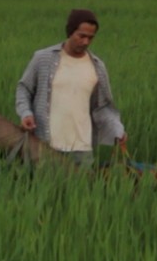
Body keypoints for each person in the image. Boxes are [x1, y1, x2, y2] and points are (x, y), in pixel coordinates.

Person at [15, 9, 126, 170]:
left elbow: (103, 107)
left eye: (90, 37)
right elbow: (24, 89)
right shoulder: (43, 58)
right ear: (70, 31)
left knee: (80, 192)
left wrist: (117, 129)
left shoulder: (97, 66)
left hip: (82, 148)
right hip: (45, 145)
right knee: (46, 191)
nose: (86, 42)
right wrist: (26, 113)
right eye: (81, 36)